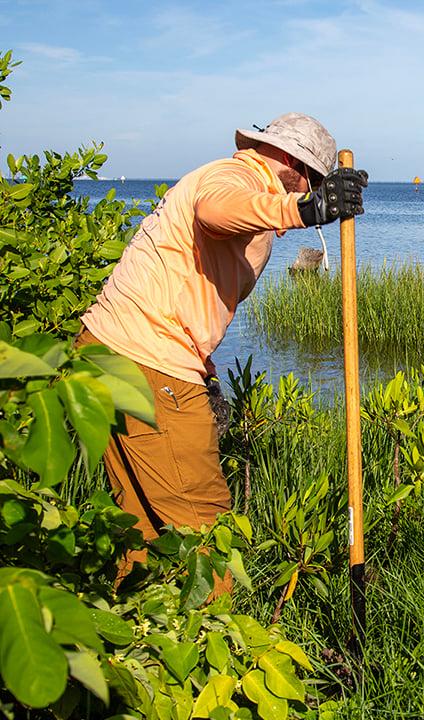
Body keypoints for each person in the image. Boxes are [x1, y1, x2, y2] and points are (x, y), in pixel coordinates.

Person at [77, 112, 367, 579]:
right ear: (293, 163)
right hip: (149, 363)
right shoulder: (235, 176)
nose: (309, 189)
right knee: (206, 532)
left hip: (109, 350)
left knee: (138, 529)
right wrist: (305, 211)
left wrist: (204, 371)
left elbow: (188, 292)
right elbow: (215, 210)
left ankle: (137, 634)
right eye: (311, 180)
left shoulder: (242, 191)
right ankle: (222, 642)